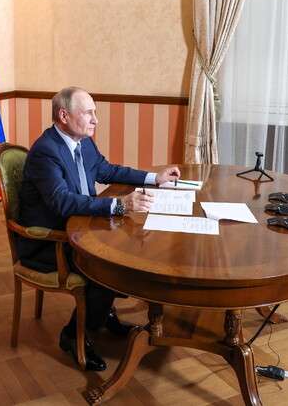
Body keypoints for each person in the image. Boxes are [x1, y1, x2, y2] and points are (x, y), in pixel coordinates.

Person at [17, 87, 180, 371]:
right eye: (89, 113)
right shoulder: (46, 151)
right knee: (108, 267)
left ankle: (102, 314)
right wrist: (119, 205)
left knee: (125, 250)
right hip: (50, 242)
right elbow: (62, 202)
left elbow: (108, 170)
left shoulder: (83, 142)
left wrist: (155, 178)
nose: (96, 120)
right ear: (64, 116)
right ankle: (72, 336)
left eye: (95, 112)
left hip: (79, 229)